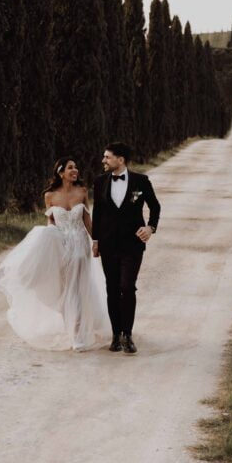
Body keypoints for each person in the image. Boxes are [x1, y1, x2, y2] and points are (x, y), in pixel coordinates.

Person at [0, 157, 110, 351]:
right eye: (71, 167)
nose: (76, 170)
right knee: (64, 288)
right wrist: (48, 241)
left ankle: (79, 335)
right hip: (60, 246)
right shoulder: (49, 196)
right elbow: (52, 223)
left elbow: (87, 220)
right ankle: (72, 328)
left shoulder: (82, 192)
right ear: (60, 172)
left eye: (76, 166)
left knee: (78, 289)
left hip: (80, 246)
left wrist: (96, 241)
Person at [91, 141, 161, 354]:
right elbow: (98, 213)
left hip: (133, 244)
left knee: (127, 287)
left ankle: (128, 335)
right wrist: (95, 241)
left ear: (120, 160)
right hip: (109, 244)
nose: (104, 160)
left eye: (107, 157)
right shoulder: (100, 181)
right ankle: (116, 334)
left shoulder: (141, 181)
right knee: (112, 288)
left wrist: (151, 228)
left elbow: (155, 206)